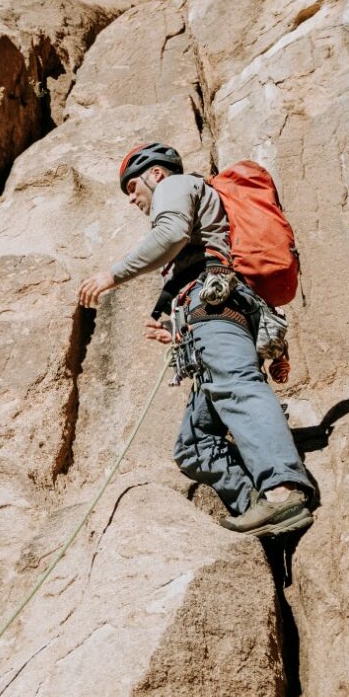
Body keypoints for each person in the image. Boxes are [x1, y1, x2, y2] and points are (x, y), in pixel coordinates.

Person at [77, 142, 315, 537]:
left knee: (238, 387)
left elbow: (170, 232)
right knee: (194, 445)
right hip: (209, 323)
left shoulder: (175, 186)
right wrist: (175, 328)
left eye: (133, 188)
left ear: (156, 174)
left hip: (219, 311)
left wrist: (112, 275)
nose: (132, 199)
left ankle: (282, 491)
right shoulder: (195, 213)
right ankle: (259, 509)